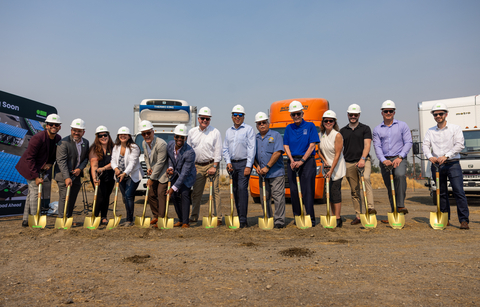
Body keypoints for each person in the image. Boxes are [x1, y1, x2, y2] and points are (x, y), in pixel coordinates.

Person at [422, 103, 470, 229]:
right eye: (435, 114)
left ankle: (463, 220)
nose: (438, 116)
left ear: (446, 114)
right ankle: (444, 218)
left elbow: (459, 145)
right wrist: (429, 156)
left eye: (440, 114)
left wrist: (446, 155)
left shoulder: (455, 128)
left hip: (452, 164)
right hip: (437, 165)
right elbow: (425, 145)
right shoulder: (430, 131)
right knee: (441, 193)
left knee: (458, 191)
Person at [16, 114, 62, 227]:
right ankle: (35, 218)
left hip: (40, 168)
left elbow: (53, 154)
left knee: (31, 193)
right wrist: (36, 176)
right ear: (47, 126)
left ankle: (26, 220)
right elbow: (29, 158)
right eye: (51, 124)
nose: (54, 126)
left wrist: (50, 163)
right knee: (35, 192)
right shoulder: (38, 138)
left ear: (59, 127)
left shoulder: (58, 138)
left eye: (56, 125)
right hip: (29, 167)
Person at [372, 100, 412, 223]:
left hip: (399, 158)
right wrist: (383, 160)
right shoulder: (377, 129)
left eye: (390, 111)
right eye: (386, 111)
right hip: (385, 160)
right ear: (382, 113)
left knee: (400, 176)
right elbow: (377, 147)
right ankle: (394, 213)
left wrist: (400, 157)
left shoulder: (403, 125)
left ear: (394, 112)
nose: (388, 113)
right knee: (390, 187)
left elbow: (408, 142)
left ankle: (400, 206)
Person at [283, 101, 320, 226]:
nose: (296, 116)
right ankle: (298, 217)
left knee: (307, 190)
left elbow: (312, 145)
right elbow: (286, 145)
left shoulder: (310, 126)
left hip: (307, 161)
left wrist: (302, 161)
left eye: (298, 113)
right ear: (291, 116)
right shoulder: (289, 128)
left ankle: (310, 218)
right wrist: (292, 161)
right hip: (292, 161)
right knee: (293, 190)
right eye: (293, 114)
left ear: (302, 113)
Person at [340, 104, 376, 225]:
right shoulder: (343, 131)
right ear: (348, 115)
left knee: (366, 179)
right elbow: (340, 148)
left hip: (364, 161)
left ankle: (370, 208)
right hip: (349, 163)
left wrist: (362, 159)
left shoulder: (365, 128)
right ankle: (358, 216)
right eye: (351, 114)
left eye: (355, 115)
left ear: (359, 115)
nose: (353, 116)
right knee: (354, 190)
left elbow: (367, 145)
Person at [187, 107, 223, 225]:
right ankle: (194, 216)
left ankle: (217, 217)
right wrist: (192, 166)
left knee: (215, 192)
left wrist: (215, 166)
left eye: (207, 118)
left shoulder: (215, 132)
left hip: (211, 164)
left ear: (210, 119)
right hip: (197, 166)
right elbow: (188, 150)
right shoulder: (192, 132)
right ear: (198, 119)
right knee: (197, 192)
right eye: (203, 118)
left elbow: (218, 150)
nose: (205, 120)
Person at [222, 105, 256, 228]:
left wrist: (248, 166)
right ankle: (239, 215)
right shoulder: (228, 131)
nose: (237, 117)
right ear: (232, 117)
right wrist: (228, 162)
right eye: (235, 115)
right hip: (232, 164)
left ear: (243, 116)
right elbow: (225, 148)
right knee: (235, 190)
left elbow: (252, 148)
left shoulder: (248, 129)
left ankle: (243, 220)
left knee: (242, 189)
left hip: (243, 164)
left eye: (240, 115)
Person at [253, 112, 286, 228]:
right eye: (259, 123)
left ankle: (279, 221)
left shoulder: (275, 135)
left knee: (278, 198)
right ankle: (268, 217)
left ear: (268, 123)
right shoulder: (255, 138)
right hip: (262, 174)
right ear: (256, 125)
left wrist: (267, 167)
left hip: (276, 173)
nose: (262, 125)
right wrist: (256, 165)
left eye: (264, 122)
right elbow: (252, 155)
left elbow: (277, 152)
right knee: (264, 198)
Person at [55, 118, 90, 226]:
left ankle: (68, 218)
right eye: (74, 130)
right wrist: (66, 177)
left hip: (77, 175)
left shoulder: (86, 142)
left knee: (73, 197)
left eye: (79, 131)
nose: (76, 133)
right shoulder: (63, 142)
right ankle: (62, 219)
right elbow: (61, 161)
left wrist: (80, 169)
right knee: (64, 197)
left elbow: (85, 158)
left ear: (83, 132)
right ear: (71, 130)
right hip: (63, 175)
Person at [318, 110, 346, 227]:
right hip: (327, 167)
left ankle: (338, 218)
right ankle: (331, 215)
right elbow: (319, 151)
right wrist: (325, 162)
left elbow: (337, 154)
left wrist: (331, 169)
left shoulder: (337, 135)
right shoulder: (321, 135)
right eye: (326, 121)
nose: (328, 122)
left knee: (335, 192)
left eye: (331, 121)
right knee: (328, 193)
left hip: (337, 168)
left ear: (334, 122)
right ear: (323, 122)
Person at [111, 126, 143, 227]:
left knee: (129, 195)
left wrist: (124, 173)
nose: (123, 136)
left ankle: (129, 220)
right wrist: (115, 168)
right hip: (120, 175)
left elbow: (132, 163)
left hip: (132, 175)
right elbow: (112, 160)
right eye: (121, 134)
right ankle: (129, 215)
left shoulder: (134, 147)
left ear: (129, 136)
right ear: (118, 136)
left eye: (125, 135)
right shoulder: (116, 147)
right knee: (125, 197)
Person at [166, 124, 196, 228]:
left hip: (187, 177)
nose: (179, 139)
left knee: (184, 194)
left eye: (182, 137)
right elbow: (170, 158)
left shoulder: (189, 152)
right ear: (174, 137)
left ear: (186, 138)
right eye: (177, 136)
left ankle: (185, 222)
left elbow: (184, 173)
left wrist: (173, 188)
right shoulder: (169, 145)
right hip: (176, 174)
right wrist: (171, 168)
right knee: (174, 196)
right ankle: (180, 219)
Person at [139, 120, 168, 228]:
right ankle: (155, 216)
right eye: (143, 133)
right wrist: (149, 167)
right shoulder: (144, 143)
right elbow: (146, 157)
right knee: (150, 193)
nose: (146, 135)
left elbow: (160, 163)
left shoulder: (161, 144)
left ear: (153, 131)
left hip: (163, 174)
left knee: (160, 193)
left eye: (148, 132)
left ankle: (161, 218)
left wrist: (151, 178)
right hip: (154, 172)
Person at [88, 125, 115, 225]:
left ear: (108, 135)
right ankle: (94, 217)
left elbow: (115, 163)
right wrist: (95, 179)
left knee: (107, 196)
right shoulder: (94, 149)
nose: (103, 137)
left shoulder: (114, 148)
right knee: (99, 196)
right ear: (97, 137)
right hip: (98, 174)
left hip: (110, 174)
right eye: (100, 136)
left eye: (105, 135)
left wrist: (104, 168)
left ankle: (104, 217)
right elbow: (94, 165)